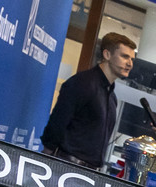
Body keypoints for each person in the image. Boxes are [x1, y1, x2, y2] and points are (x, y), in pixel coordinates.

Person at [41, 32, 135, 170]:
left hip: (89, 172)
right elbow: (57, 123)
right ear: (107, 55)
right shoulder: (82, 83)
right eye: (125, 56)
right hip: (64, 166)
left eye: (132, 59)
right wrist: (46, 158)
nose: (130, 64)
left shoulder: (111, 97)